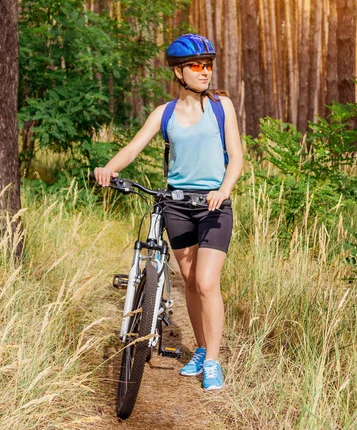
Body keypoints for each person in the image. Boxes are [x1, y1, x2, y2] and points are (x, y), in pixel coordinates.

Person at [94, 33, 243, 391]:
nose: (205, 72)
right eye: (196, 66)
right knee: (190, 281)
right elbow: (133, 147)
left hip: (213, 205)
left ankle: (213, 361)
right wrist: (108, 168)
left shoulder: (222, 106)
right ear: (178, 72)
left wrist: (223, 191)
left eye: (208, 65)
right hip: (176, 205)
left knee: (207, 283)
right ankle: (202, 348)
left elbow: (236, 158)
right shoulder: (166, 114)